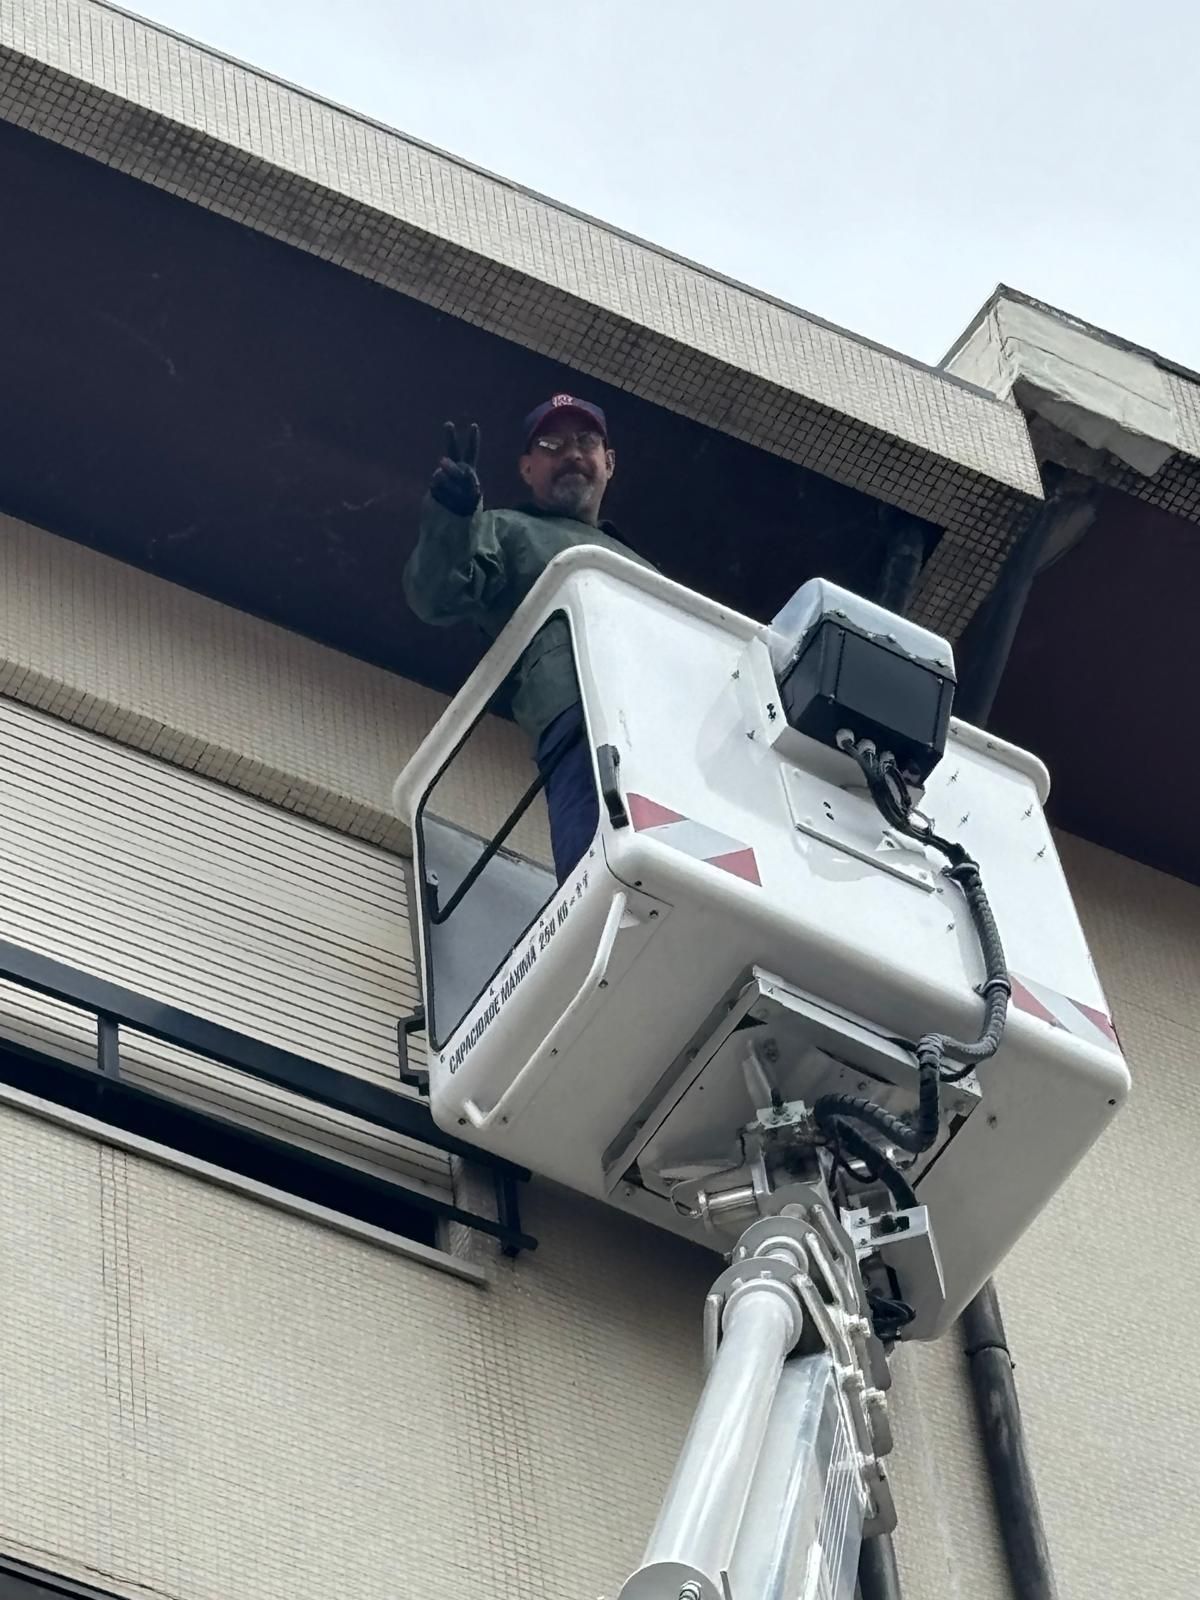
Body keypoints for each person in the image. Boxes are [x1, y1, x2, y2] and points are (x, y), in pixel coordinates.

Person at [404, 395, 652, 883]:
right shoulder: (505, 529)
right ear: (527, 468)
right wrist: (452, 516)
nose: (572, 455)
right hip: (576, 712)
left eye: (586, 441)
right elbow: (435, 594)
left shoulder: (642, 569)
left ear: (609, 461)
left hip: (667, 721)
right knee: (598, 867)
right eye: (551, 444)